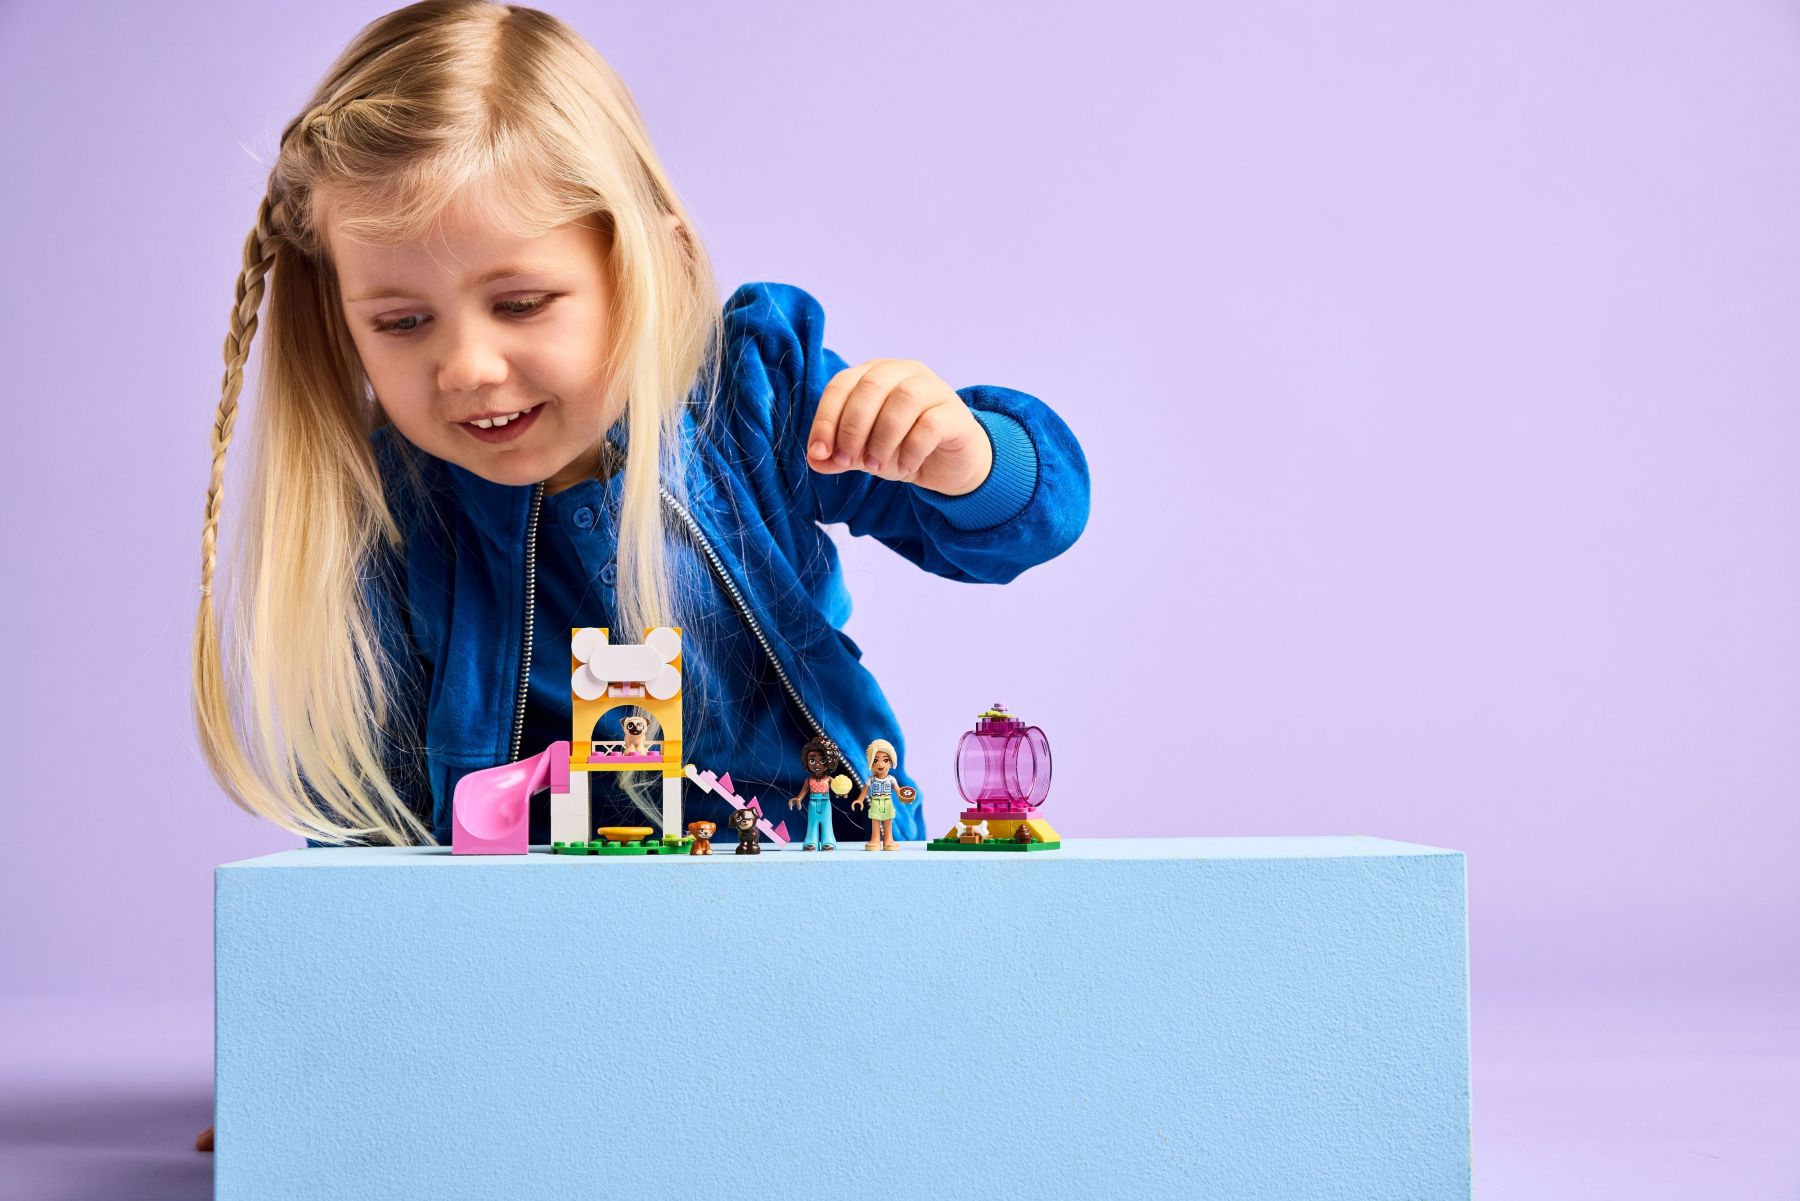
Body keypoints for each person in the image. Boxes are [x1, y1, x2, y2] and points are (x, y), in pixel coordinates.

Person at [190, 0, 1090, 857]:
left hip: (816, 894)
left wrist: (970, 459)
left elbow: (1033, 523)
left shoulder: (754, 396)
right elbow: (367, 838)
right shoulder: (386, 512)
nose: (466, 367)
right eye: (401, 321)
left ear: (650, 261)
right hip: (537, 941)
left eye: (521, 302)